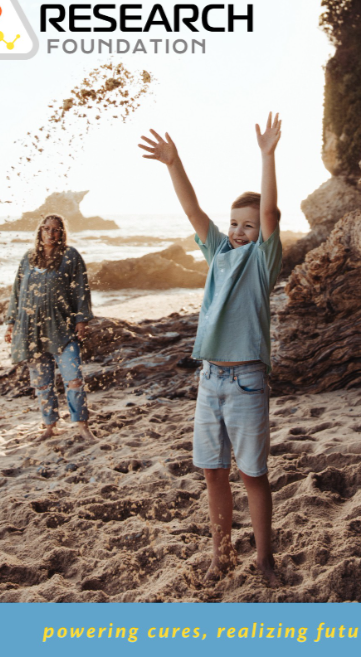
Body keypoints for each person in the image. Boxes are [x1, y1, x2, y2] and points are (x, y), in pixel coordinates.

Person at [139, 113, 283, 585]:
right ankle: (221, 556)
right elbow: (193, 210)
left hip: (245, 381)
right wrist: (173, 163)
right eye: (234, 224)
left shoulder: (262, 261)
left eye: (247, 225)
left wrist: (267, 156)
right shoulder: (218, 254)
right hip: (210, 379)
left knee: (252, 475)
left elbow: (270, 215)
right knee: (213, 473)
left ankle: (264, 560)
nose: (239, 231)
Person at [5, 214, 95, 442]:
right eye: (46, 228)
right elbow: (17, 292)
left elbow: (81, 290)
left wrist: (82, 320)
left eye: (56, 229)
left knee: (74, 379)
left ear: (62, 232)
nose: (50, 233)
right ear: (39, 231)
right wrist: (11, 323)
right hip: (32, 329)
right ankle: (49, 426)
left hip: (63, 328)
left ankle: (83, 426)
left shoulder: (70, 256)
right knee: (43, 383)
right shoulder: (28, 258)